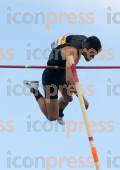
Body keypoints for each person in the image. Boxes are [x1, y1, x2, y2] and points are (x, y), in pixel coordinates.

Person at [24, 35, 102, 125]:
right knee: (52, 117)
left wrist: (57, 44)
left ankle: (60, 113)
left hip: (61, 74)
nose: (93, 57)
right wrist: (82, 99)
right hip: (51, 79)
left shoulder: (83, 40)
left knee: (68, 98)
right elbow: (69, 79)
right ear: (86, 48)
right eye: (92, 54)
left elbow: (69, 37)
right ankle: (34, 89)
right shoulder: (73, 53)